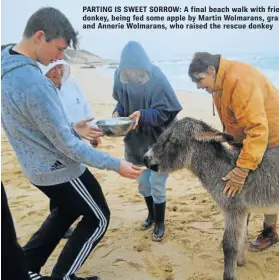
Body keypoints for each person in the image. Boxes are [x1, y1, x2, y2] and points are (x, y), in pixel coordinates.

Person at [1, 7, 141, 280]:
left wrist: (72, 128)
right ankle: (63, 277)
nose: (60, 57)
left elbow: (33, 125)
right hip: (59, 169)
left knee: (66, 211)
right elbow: (70, 147)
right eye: (59, 48)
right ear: (40, 36)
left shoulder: (6, 66)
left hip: (35, 169)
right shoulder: (35, 83)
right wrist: (117, 165)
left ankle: (26, 268)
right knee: (98, 218)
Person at [188, 52, 279, 251]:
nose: (199, 86)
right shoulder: (220, 82)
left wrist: (242, 169)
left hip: (276, 137)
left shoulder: (239, 81)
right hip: (254, 135)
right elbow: (234, 118)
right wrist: (233, 143)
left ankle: (270, 232)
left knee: (267, 183)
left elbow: (258, 130)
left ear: (211, 70)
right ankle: (240, 230)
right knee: (241, 181)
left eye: (199, 80)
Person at [112, 41, 182, 241]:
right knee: (143, 183)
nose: (133, 76)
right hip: (135, 141)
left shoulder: (157, 77)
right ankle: (151, 215)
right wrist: (118, 113)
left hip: (160, 140)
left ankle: (160, 223)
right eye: (129, 72)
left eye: (137, 71)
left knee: (157, 182)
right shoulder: (119, 76)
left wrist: (143, 115)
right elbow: (121, 101)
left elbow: (166, 111)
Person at [39, 59, 100, 239]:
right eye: (52, 69)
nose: (57, 72)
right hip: (56, 145)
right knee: (59, 183)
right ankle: (61, 222)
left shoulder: (71, 83)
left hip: (79, 142)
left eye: (60, 67)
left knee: (77, 176)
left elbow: (84, 107)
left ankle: (71, 213)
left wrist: (93, 132)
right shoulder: (41, 91)